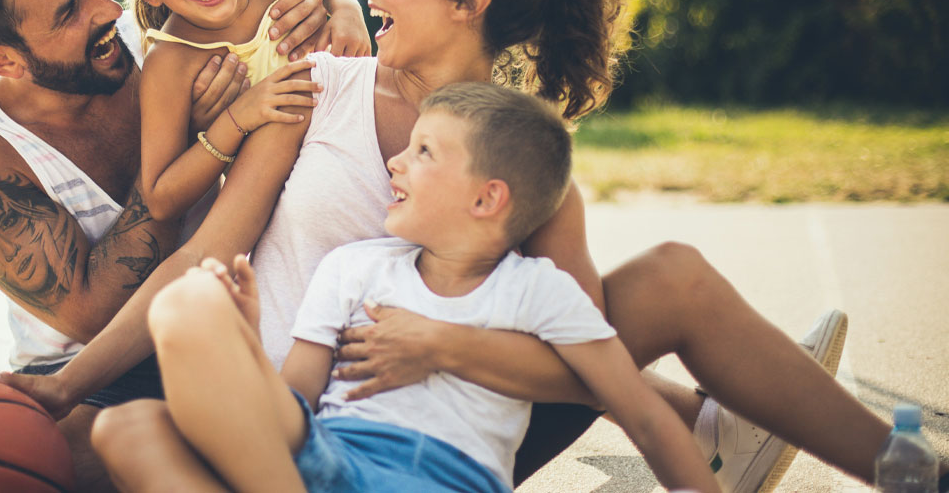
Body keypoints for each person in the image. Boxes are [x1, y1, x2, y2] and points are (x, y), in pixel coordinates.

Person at [0, 0, 943, 492]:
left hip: (444, 438)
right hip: (288, 424)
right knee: (89, 443)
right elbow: (204, 250)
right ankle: (721, 425)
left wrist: (442, 349)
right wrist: (63, 382)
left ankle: (905, 467)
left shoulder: (520, 160)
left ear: (467, 0)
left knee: (668, 278)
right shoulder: (314, 89)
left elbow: (583, 355)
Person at [0, 0, 350, 491]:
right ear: (4, 59)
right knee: (80, 450)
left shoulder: (161, 25)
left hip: (215, 318)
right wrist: (200, 144)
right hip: (91, 372)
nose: (109, 7)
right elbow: (97, 314)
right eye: (70, 11)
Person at [112, 81, 721, 492]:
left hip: (439, 477)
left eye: (423, 151)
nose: (396, 163)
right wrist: (242, 340)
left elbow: (645, 417)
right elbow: (293, 400)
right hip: (328, 458)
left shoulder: (537, 291)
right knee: (138, 402)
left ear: (488, 198)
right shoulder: (353, 268)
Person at [109, 0, 368, 223]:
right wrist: (237, 119)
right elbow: (161, 198)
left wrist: (346, 8)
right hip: (291, 206)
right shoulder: (169, 63)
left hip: (363, 142)